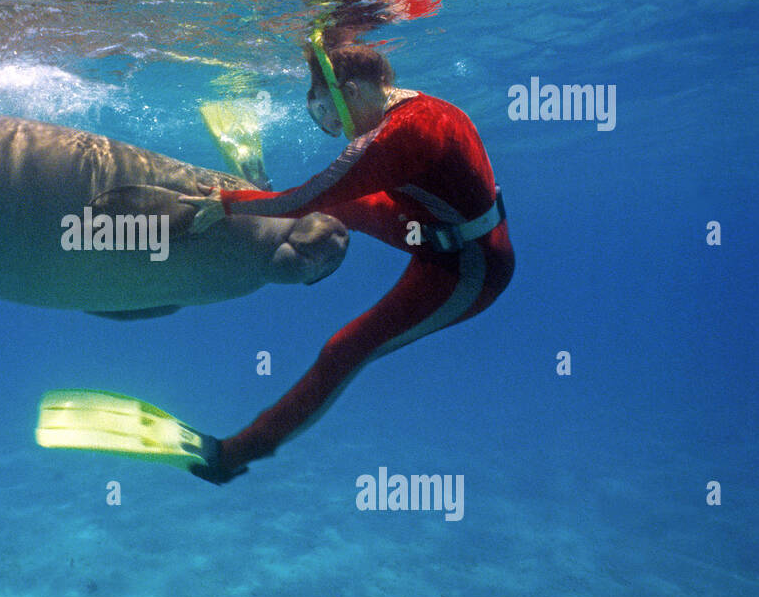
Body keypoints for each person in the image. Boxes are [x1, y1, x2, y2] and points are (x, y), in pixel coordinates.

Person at [180, 30, 514, 483]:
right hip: (430, 229)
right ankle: (304, 250)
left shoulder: (397, 137)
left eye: (328, 113)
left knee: (344, 351)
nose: (333, 128)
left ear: (352, 91)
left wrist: (228, 203)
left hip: (466, 268)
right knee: (328, 207)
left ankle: (236, 453)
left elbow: (307, 193)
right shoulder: (419, 107)